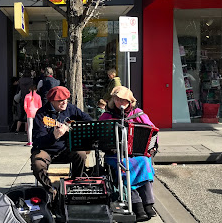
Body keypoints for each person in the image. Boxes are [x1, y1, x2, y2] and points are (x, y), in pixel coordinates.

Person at [99, 86, 157, 221]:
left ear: (130, 102)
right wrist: (109, 146)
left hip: (137, 154)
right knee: (125, 165)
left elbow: (153, 132)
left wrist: (151, 147)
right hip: (116, 155)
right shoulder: (107, 116)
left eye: (124, 100)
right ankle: (138, 206)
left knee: (144, 162)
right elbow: (99, 137)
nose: (120, 103)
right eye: (117, 99)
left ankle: (148, 204)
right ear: (113, 100)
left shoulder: (139, 114)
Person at [31, 86, 92, 199]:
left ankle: (74, 185)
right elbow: (38, 141)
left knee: (81, 154)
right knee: (37, 164)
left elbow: (88, 120)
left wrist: (73, 129)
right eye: (60, 100)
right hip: (47, 150)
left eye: (66, 99)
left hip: (66, 149)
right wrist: (53, 136)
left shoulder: (71, 109)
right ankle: (50, 190)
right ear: (52, 101)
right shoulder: (42, 115)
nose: (64, 102)